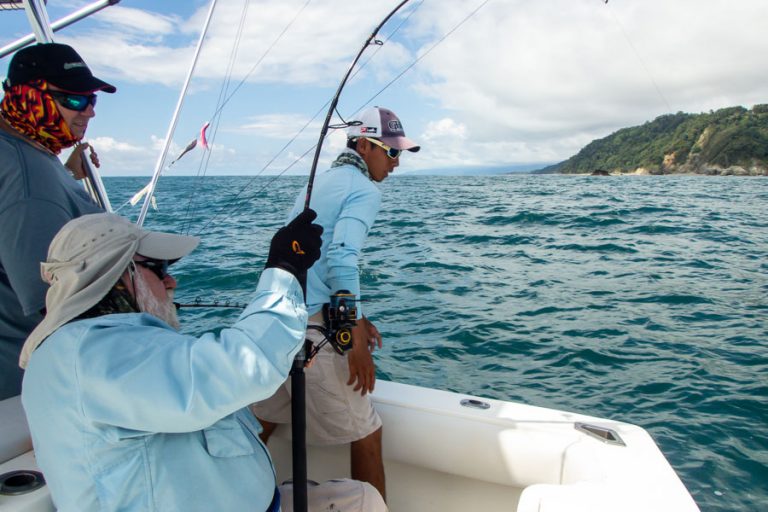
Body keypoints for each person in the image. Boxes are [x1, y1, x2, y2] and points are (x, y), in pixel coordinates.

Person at [19, 211, 357, 511]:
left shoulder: (111, 347)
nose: (172, 281)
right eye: (158, 269)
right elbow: (244, 364)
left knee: (359, 499)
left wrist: (279, 359)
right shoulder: (88, 353)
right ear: (115, 276)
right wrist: (284, 269)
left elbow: (203, 395)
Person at [253, 106, 421, 500]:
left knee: (264, 419)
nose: (396, 163)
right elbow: (342, 258)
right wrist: (355, 334)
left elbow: (311, 257)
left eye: (400, 154)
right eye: (390, 152)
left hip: (274, 319)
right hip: (314, 326)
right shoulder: (364, 190)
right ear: (364, 144)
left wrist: (360, 317)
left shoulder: (322, 181)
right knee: (367, 432)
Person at [0, 42, 114, 400]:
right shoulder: (25, 176)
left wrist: (67, 176)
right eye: (74, 100)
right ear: (27, 96)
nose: (89, 112)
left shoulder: (25, 151)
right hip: (30, 389)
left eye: (92, 99)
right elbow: (53, 303)